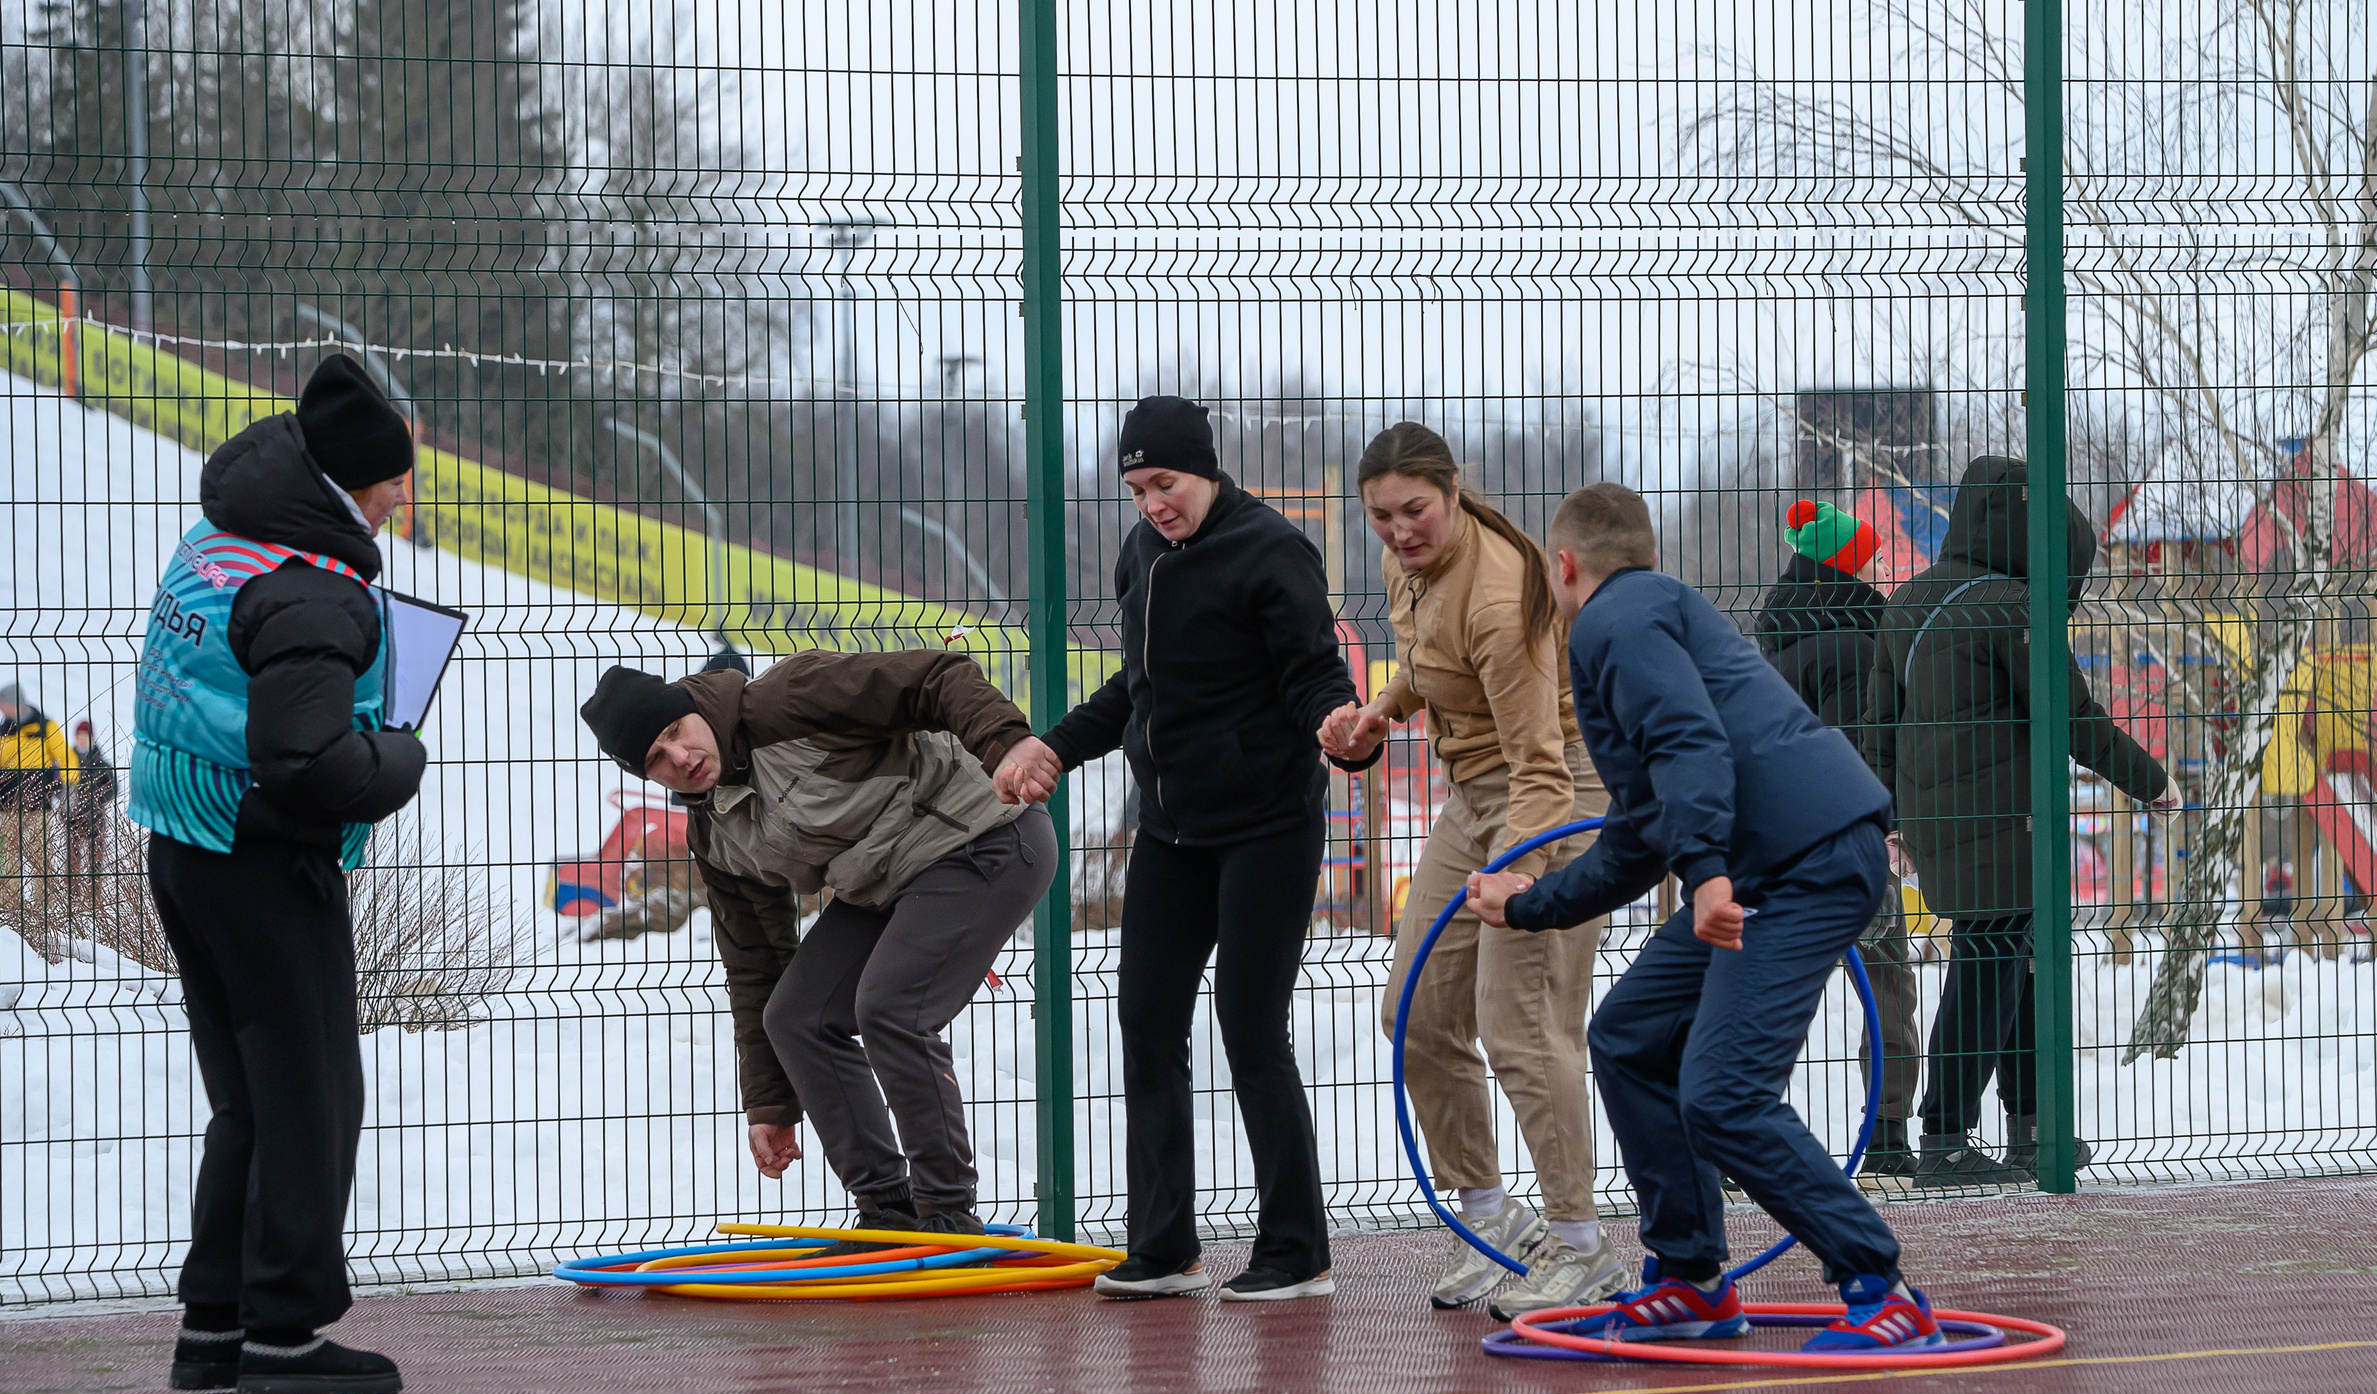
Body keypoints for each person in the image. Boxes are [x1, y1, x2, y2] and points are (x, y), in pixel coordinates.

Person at [1467, 482, 1944, 1351]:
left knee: (1723, 1094)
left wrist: (1712, 876)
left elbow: (1692, 741)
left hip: (1803, 862)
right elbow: (1637, 836)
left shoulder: (1614, 622)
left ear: (1562, 565)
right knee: (1629, 1034)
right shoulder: (1655, 616)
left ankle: (1882, 1286)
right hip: (1771, 863)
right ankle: (1691, 1278)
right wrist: (1530, 905)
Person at [993, 395, 1372, 1302]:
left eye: (1164, 483)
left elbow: (1314, 674)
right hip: (1169, 829)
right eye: (1136, 488)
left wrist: (1339, 728)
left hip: (1267, 826)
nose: (1153, 503)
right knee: (1147, 1023)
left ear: (1204, 468)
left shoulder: (1272, 549)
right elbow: (1138, 686)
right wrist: (1056, 743)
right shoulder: (1142, 557)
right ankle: (1164, 1244)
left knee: (1250, 1026)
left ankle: (1296, 1249)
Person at [130, 354, 428, 1394]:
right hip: (260, 857)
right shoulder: (314, 592)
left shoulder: (225, 536)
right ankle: (288, 1337)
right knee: (311, 1096)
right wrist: (400, 754)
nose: (405, 498)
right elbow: (311, 766)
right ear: (352, 483)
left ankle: (216, 1327)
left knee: (249, 1100)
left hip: (185, 841)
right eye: (396, 481)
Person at [580, 648, 1056, 1237]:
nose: (681, 758)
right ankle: (889, 1210)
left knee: (891, 1009)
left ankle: (946, 1214)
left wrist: (1004, 742)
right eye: (657, 759)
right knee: (796, 1015)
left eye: (677, 732)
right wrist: (771, 1105)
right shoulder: (715, 834)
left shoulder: (790, 699)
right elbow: (755, 962)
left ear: (689, 705)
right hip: (883, 882)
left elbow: (934, 678)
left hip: (983, 836)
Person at [1320, 423, 1624, 1318]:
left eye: (1415, 510)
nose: (1399, 531)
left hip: (1557, 787)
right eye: (1380, 517)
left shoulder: (1500, 593)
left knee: (1520, 1021)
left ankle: (1581, 1243)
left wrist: (1519, 874)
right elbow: (1427, 663)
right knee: (1413, 1011)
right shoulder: (1404, 565)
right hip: (1476, 789)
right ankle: (1497, 1223)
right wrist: (1380, 710)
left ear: (1455, 492)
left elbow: (1537, 760)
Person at [1860, 457, 2172, 1184]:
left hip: (1939, 821)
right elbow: (2072, 715)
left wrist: (1890, 817)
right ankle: (1945, 1137)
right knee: (1988, 965)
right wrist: (2148, 781)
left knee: (2014, 964)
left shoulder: (1907, 603)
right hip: (2003, 821)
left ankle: (2032, 1129)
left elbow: (1878, 727)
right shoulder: (2012, 609)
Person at [1754, 499, 1923, 1176]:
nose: (1881, 571)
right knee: (1887, 986)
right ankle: (1886, 1132)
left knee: (1778, 991)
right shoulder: (1860, 647)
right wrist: (1888, 827)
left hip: (1783, 839)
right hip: (1852, 840)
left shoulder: (1782, 639)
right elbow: (1861, 751)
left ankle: (1742, 1121)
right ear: (1843, 568)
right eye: (1871, 560)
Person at [0, 680, 78, 924]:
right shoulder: (4, 730)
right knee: (7, 859)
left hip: (37, 808)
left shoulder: (45, 727)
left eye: (4, 704)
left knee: (40, 857)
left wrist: (69, 787)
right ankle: (9, 910)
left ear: (15, 703)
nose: (2, 709)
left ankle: (45, 910)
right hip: (6, 809)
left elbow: (66, 757)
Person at [64, 718, 117, 914]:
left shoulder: (101, 762)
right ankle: (73, 895)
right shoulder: (67, 759)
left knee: (96, 858)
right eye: (79, 736)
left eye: (85, 736)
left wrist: (96, 802)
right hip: (72, 818)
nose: (82, 740)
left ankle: (94, 897)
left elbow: (113, 788)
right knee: (73, 857)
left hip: (96, 818)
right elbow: (59, 785)